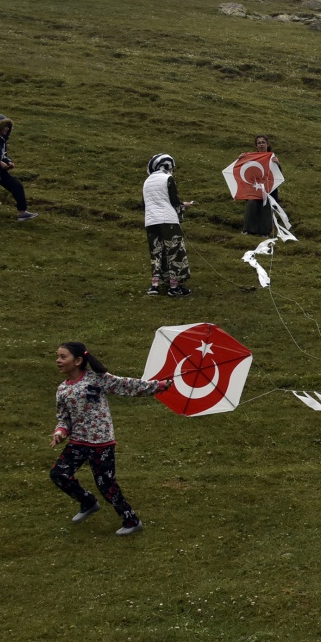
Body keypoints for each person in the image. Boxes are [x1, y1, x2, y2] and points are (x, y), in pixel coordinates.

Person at [50, 341, 173, 536]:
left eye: (63, 357)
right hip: (78, 442)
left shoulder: (97, 379)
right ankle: (88, 502)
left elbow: (127, 385)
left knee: (106, 484)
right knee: (58, 474)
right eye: (58, 356)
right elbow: (64, 419)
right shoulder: (62, 390)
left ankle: (131, 521)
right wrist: (60, 433)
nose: (58, 360)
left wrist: (157, 386)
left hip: (101, 444)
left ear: (78, 360)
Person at [142, 153, 194, 297]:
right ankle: (174, 287)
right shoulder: (167, 178)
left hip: (151, 221)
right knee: (174, 252)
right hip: (168, 220)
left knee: (156, 252)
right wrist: (183, 207)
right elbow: (174, 201)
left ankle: (155, 285)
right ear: (167, 166)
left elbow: (145, 204)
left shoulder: (147, 181)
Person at [0, 113, 38, 225]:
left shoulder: (2, 140)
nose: (7, 129)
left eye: (8, 127)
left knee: (17, 186)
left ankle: (22, 213)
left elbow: (2, 155)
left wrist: (8, 162)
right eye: (5, 126)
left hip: (0, 171)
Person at [240, 134, 281, 236]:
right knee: (251, 205)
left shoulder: (272, 158)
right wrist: (241, 160)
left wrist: (278, 164)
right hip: (254, 189)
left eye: (263, 142)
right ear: (256, 145)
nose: (261, 144)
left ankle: (265, 232)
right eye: (259, 143)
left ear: (267, 144)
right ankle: (248, 230)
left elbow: (278, 175)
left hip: (269, 190)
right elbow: (244, 169)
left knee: (266, 207)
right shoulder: (251, 158)